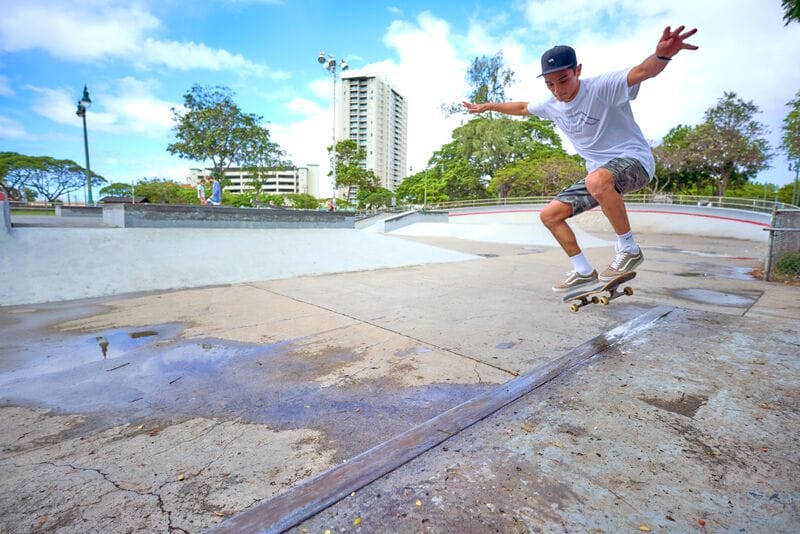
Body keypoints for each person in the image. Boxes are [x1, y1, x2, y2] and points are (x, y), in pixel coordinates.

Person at [463, 25, 698, 293]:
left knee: (597, 179)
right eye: (550, 84)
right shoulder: (550, 104)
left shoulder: (602, 87)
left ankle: (629, 248)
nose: (557, 90)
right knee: (550, 215)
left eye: (563, 80)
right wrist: (488, 106)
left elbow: (642, 72)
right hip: (598, 177)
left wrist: (662, 56)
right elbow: (521, 107)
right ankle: (584, 271)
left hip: (635, 162)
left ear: (578, 71)